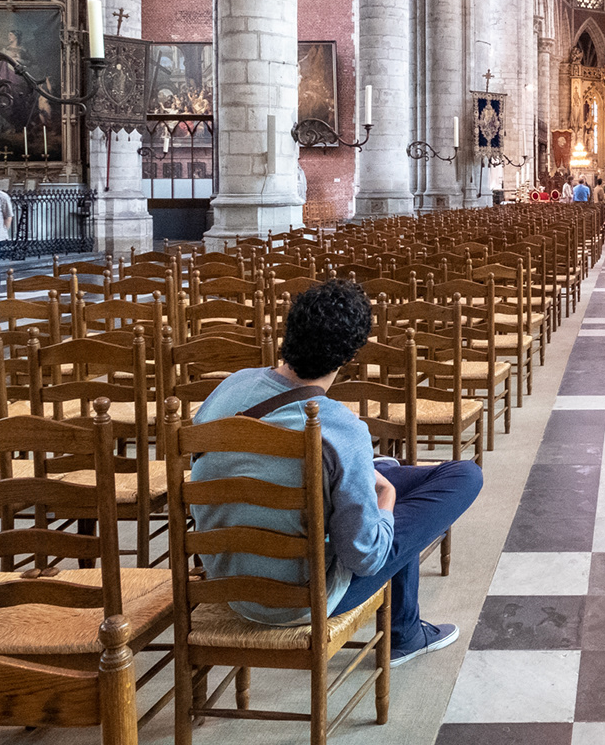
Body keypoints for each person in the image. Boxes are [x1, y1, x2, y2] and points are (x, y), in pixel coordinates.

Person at [190, 279, 481, 664]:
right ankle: (405, 634)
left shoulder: (230, 387)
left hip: (227, 580)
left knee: (387, 476)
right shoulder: (340, 429)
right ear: (349, 357)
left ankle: (406, 630)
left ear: (287, 332)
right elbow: (366, 557)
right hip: (298, 601)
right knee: (460, 478)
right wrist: (386, 498)